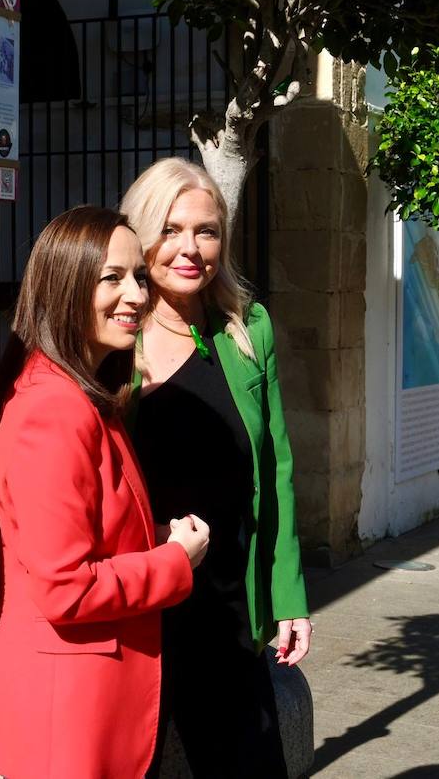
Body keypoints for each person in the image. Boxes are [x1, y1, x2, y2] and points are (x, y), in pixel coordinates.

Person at [0, 206, 209, 779]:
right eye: (111, 278)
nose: (135, 295)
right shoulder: (54, 409)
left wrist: (153, 538)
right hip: (53, 729)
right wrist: (174, 562)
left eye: (138, 277)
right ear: (66, 288)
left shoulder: (85, 393)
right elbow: (66, 587)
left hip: (71, 719)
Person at [120, 158, 310, 778]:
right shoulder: (116, 338)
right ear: (141, 234)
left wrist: (289, 597)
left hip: (228, 606)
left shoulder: (247, 329)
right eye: (170, 229)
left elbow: (277, 466)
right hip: (141, 603)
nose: (190, 249)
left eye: (206, 231)